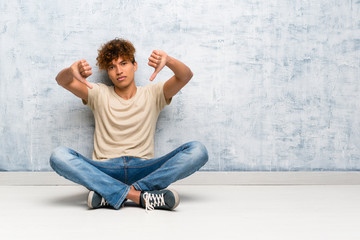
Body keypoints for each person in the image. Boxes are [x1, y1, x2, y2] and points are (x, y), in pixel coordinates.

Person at [50, 38, 208, 211]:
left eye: (123, 63)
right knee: (58, 155)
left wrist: (168, 60)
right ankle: (138, 196)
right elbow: (62, 81)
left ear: (135, 65)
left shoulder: (153, 93)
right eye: (111, 67)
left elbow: (185, 76)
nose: (118, 71)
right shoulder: (98, 93)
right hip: (105, 169)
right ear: (108, 72)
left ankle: (110, 194)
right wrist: (70, 71)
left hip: (144, 168)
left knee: (198, 150)